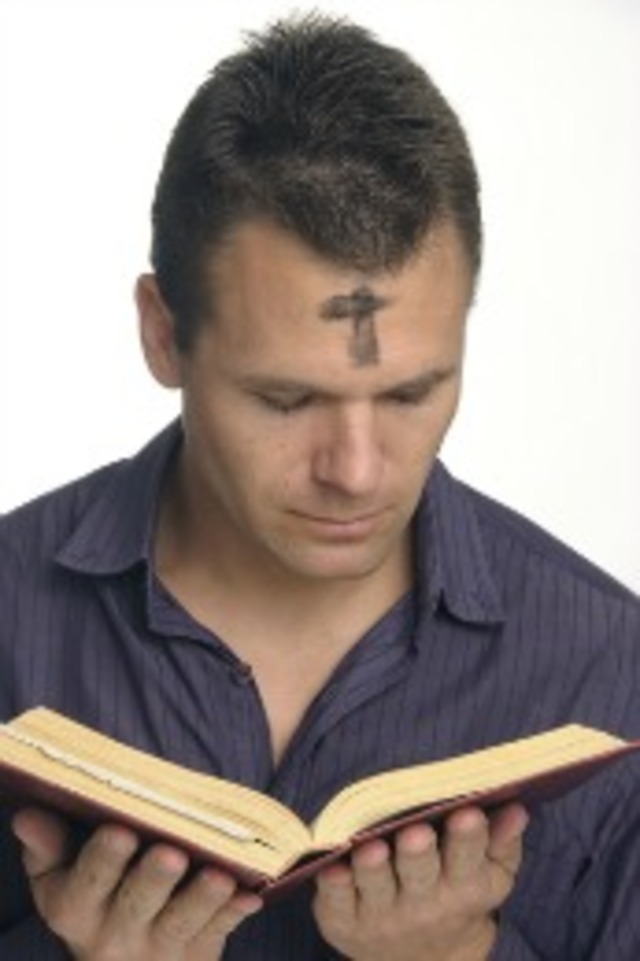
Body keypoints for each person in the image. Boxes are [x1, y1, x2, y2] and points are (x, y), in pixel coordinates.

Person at [1, 13, 639, 961]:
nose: (356, 470)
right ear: (164, 335)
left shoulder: (611, 666)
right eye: (286, 398)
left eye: (411, 393)